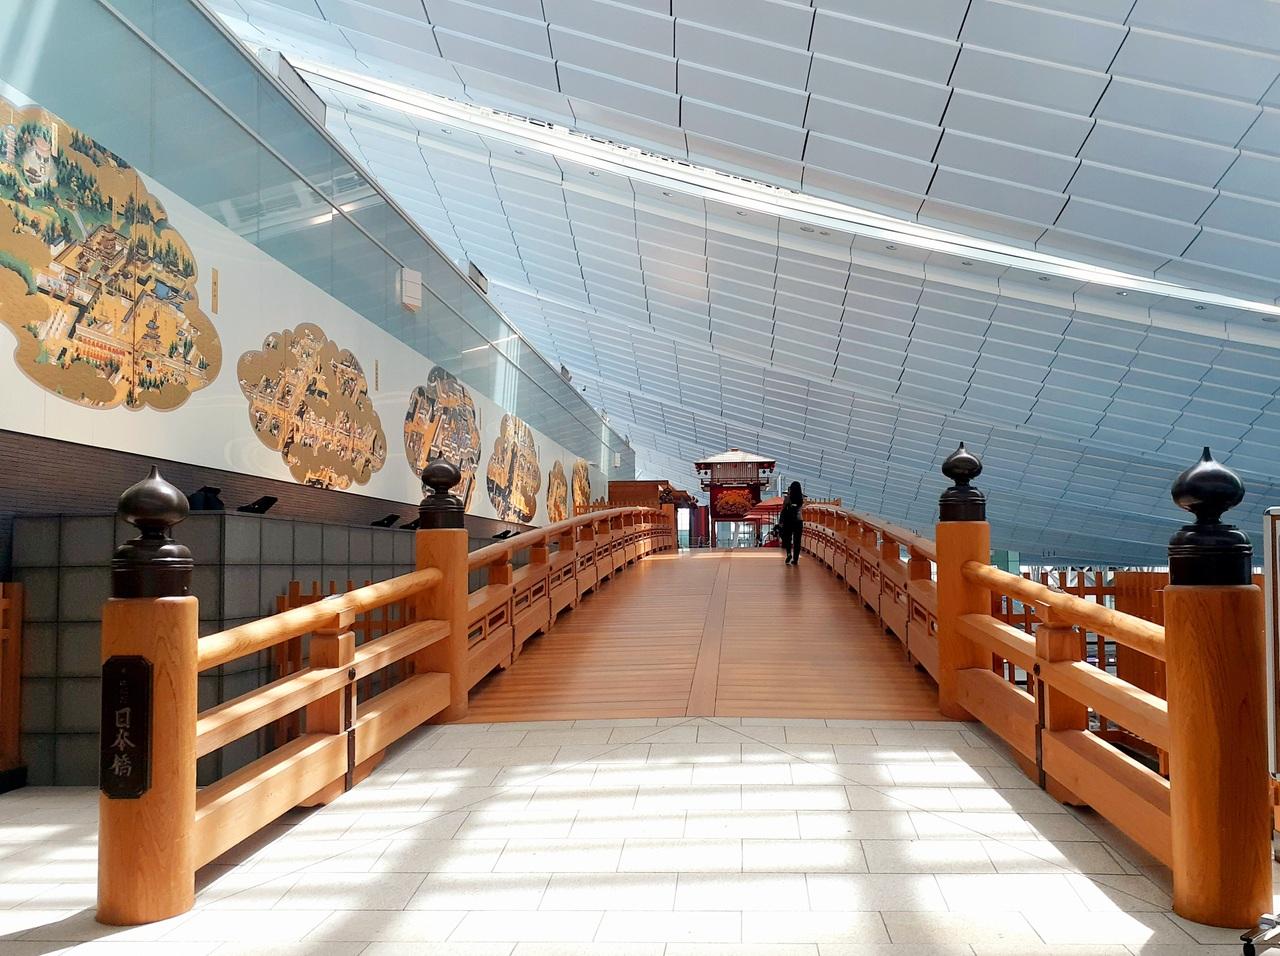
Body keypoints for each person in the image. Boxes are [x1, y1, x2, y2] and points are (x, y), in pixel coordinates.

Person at [778, 481, 804, 565]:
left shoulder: (787, 498)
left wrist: (781, 521)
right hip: (798, 521)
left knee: (788, 538)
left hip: (788, 521)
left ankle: (789, 553)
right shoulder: (801, 499)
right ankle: (795, 559)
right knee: (797, 540)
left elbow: (783, 510)